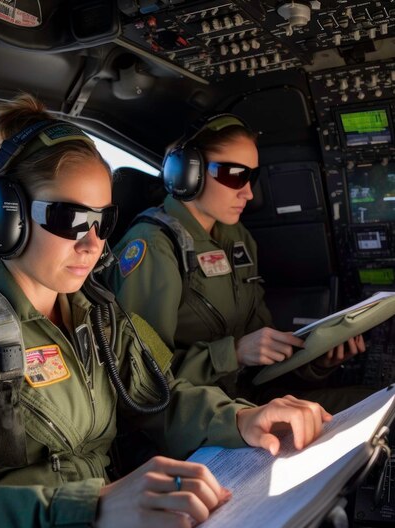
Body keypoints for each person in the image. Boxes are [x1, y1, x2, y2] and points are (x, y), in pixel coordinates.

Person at [0, 95, 333, 528]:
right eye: (70, 218)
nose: (92, 243)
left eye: (101, 220)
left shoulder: (99, 317)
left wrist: (239, 419)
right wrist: (90, 509)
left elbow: (158, 398)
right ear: (7, 218)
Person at [107, 113, 371, 412]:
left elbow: (261, 348)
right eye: (235, 174)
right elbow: (140, 379)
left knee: (376, 403)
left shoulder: (236, 237)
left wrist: (317, 362)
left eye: (252, 177)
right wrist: (231, 353)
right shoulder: (153, 248)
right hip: (195, 418)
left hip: (247, 400)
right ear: (187, 173)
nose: (247, 192)